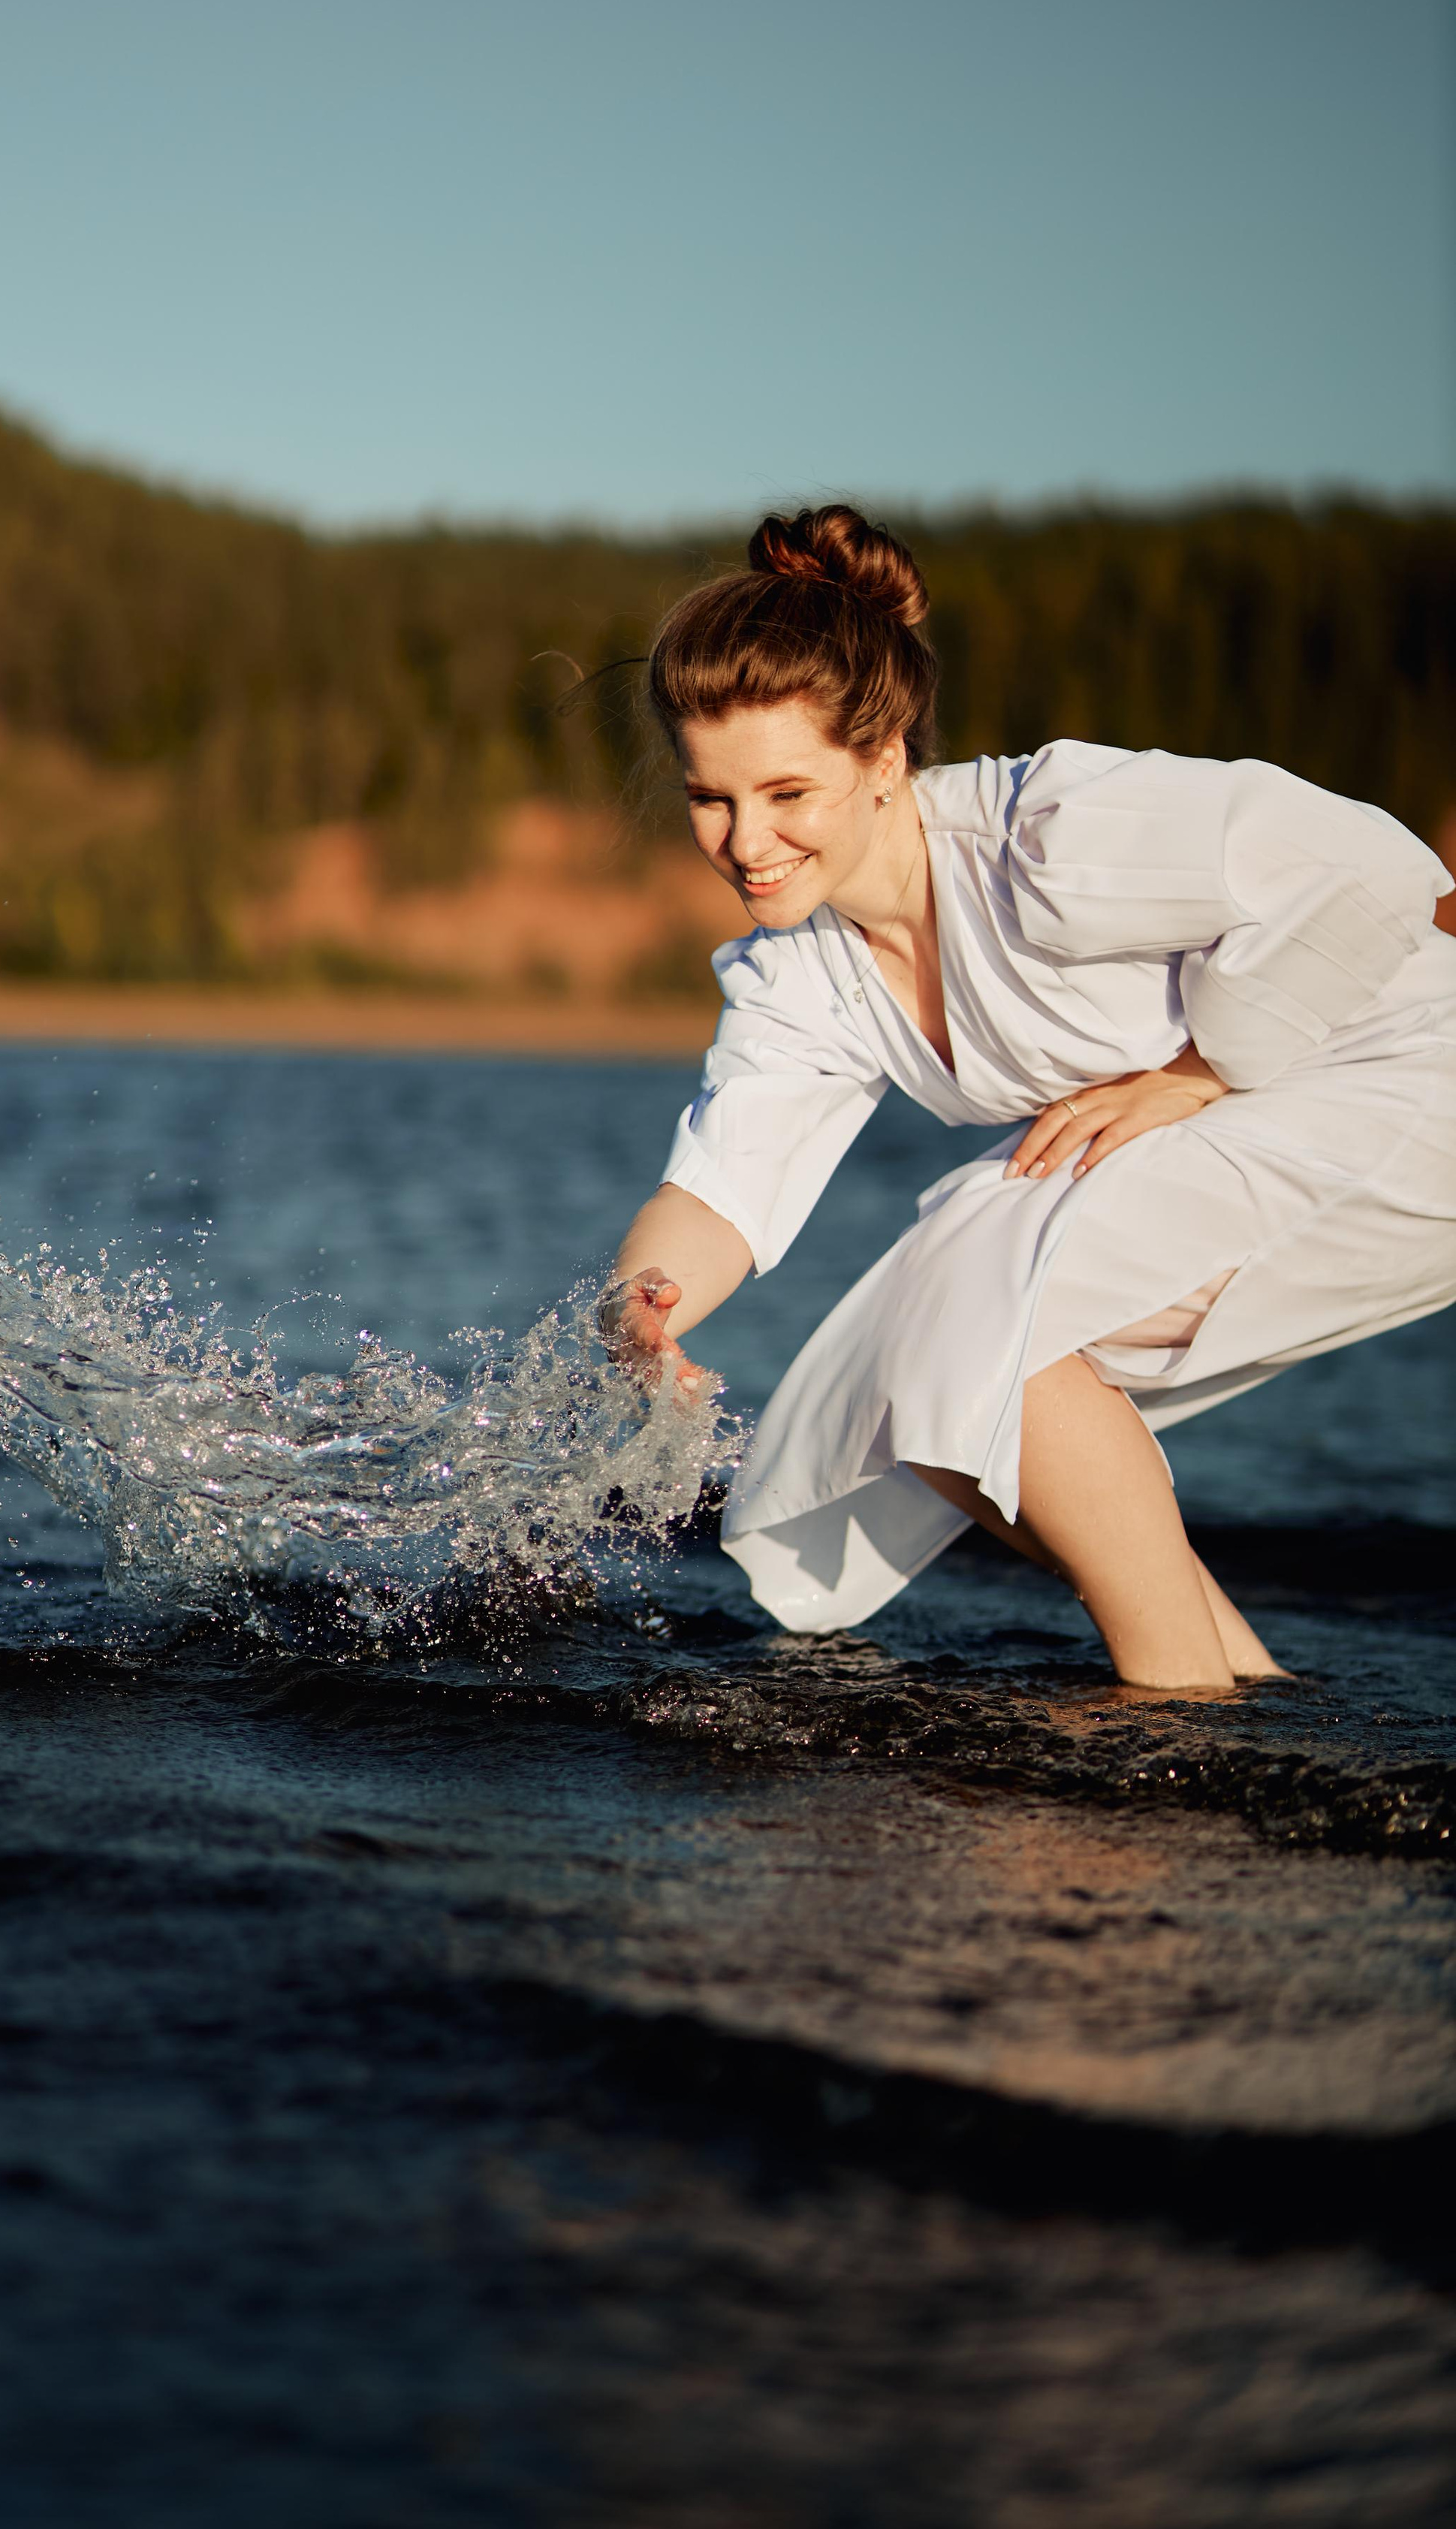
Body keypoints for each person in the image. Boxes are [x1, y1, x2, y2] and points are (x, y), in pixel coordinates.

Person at [604, 505, 1456, 1691]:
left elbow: (1385, 870)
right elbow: (725, 1182)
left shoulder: (1048, 834)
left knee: (999, 1306)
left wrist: (1200, 1071)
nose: (749, 843)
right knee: (921, 1361)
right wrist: (645, 1302)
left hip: (1409, 1074)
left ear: (885, 758)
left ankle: (1172, 1705)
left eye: (788, 793)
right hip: (1274, 1115)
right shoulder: (803, 974)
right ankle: (1241, 1686)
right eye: (713, 800)